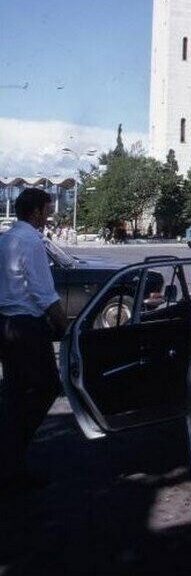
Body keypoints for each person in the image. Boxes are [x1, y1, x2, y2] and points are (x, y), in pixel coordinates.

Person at [0, 188, 69, 495]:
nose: (49, 214)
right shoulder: (31, 241)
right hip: (26, 327)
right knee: (47, 388)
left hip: (6, 325)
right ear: (37, 211)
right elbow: (43, 292)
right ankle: (10, 454)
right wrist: (65, 326)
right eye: (47, 209)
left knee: (14, 395)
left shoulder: (7, 238)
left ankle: (11, 460)